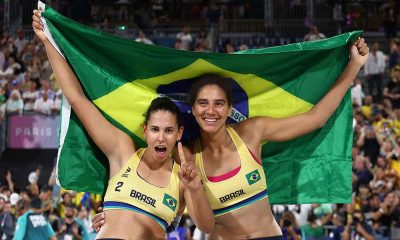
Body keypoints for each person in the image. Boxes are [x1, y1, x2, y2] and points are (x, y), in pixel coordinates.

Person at [94, 38, 369, 239]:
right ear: (192, 109)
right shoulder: (185, 154)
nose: (210, 111)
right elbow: (153, 188)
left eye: (218, 104)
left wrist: (353, 67)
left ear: (229, 109)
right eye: (202, 103)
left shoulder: (252, 132)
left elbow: (316, 118)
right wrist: (114, 217)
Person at [32, 9, 214, 240]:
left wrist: (195, 188)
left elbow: (207, 227)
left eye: (169, 131)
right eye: (155, 129)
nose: (161, 137)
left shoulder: (183, 178)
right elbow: (77, 99)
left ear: (179, 133)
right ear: (145, 130)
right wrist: (48, 39)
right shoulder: (122, 151)